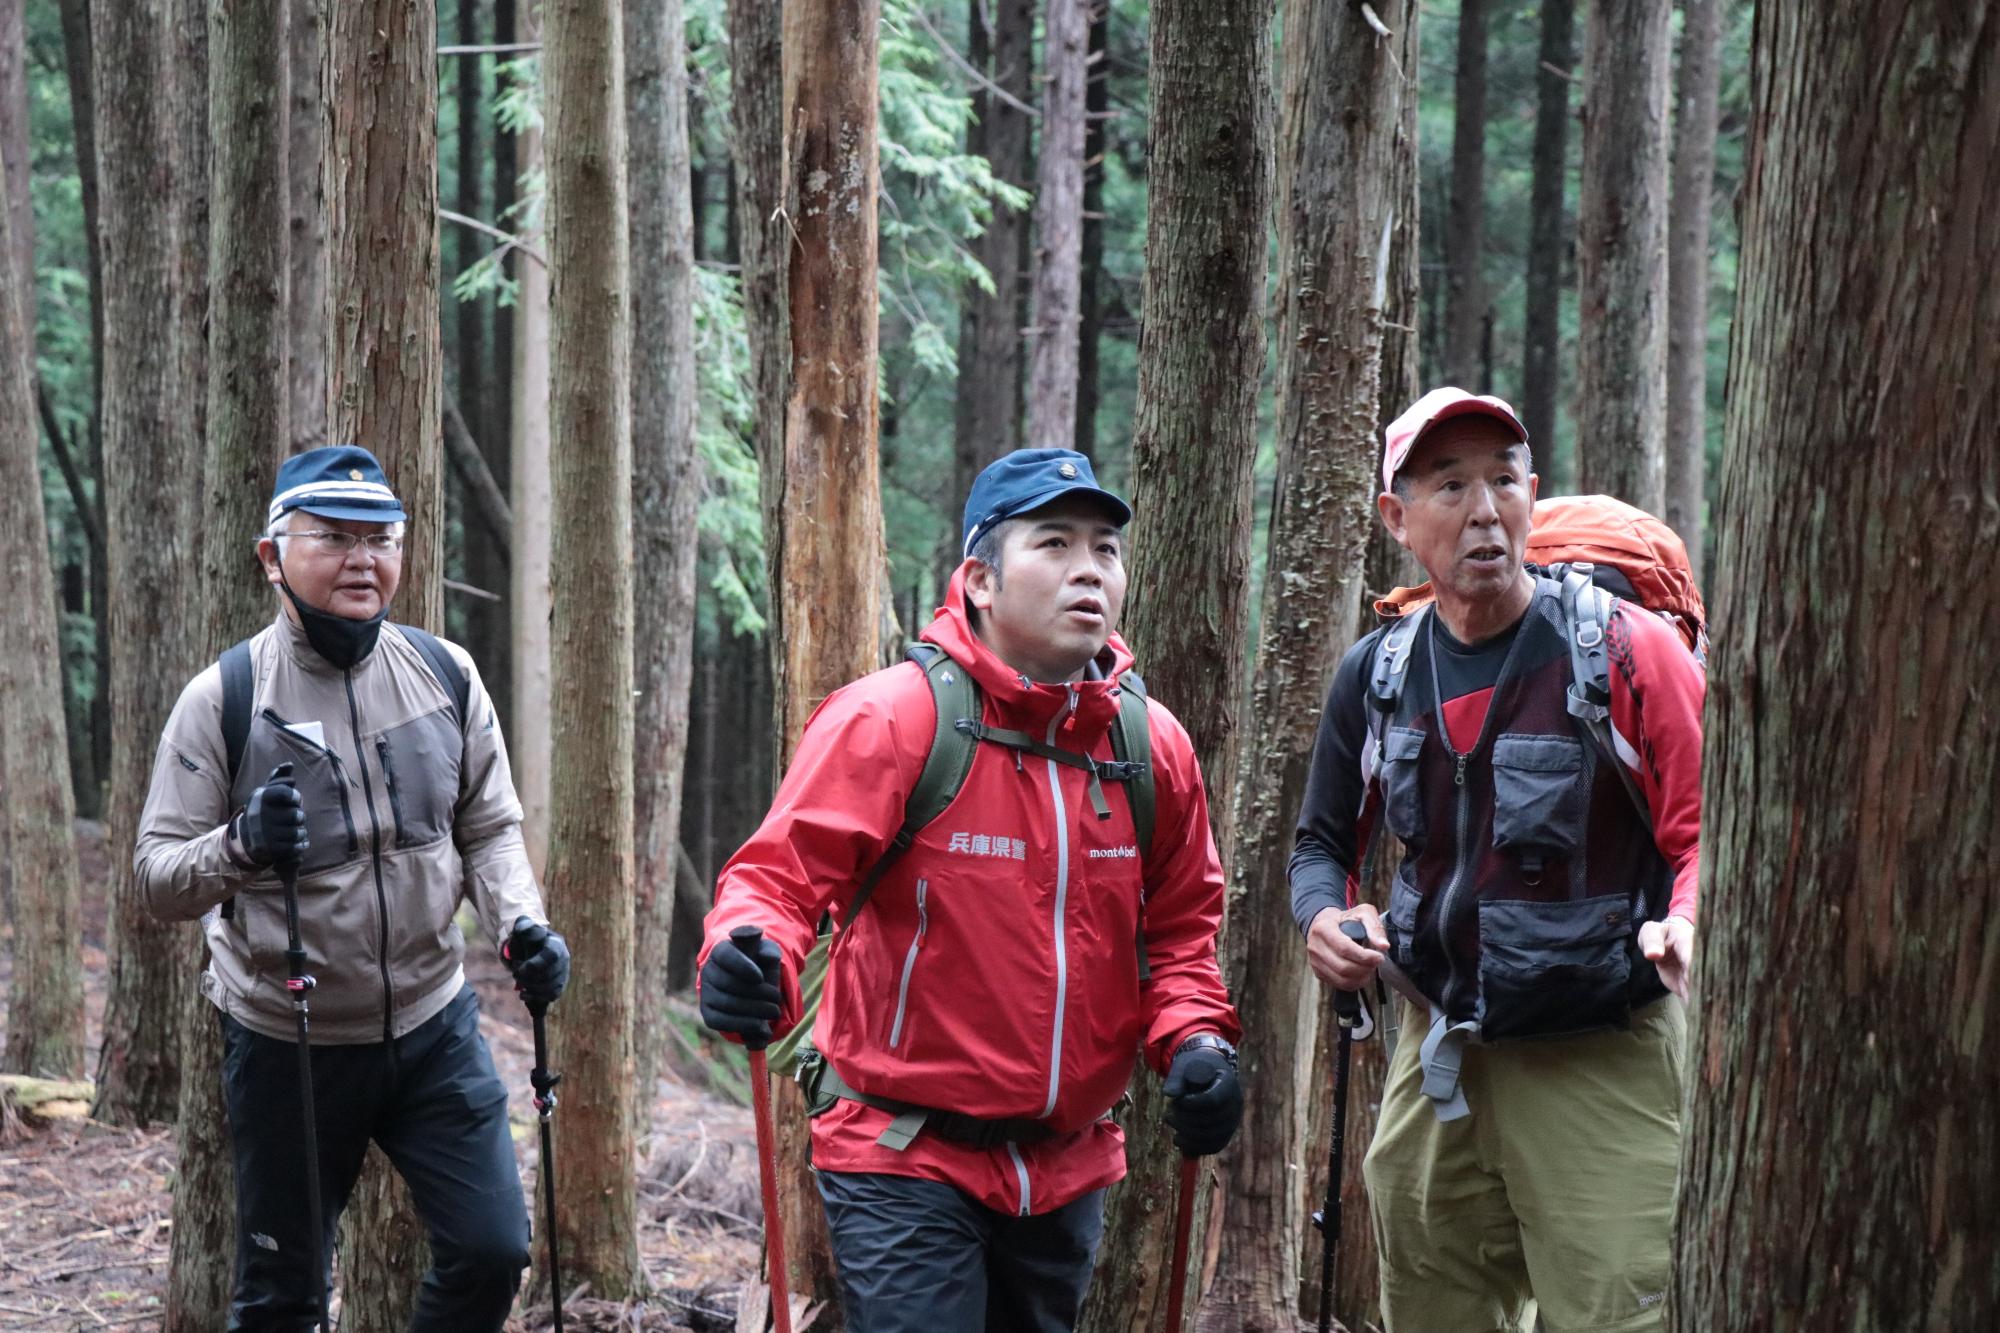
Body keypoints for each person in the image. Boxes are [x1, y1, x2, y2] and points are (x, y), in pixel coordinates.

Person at [697, 449, 1243, 1331]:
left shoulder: (1151, 746)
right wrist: (740, 953)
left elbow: (1181, 936)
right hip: (902, 1157)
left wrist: (1198, 1044)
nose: (1088, 570)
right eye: (1055, 543)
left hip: (1066, 1166)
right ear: (980, 579)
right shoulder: (894, 718)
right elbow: (778, 881)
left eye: (1105, 548)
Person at [1291, 389, 1703, 1332]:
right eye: (1451, 485)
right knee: (1433, 1309)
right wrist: (1324, 919)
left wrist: (1685, 919)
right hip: (1439, 1054)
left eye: (1504, 481)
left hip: (1603, 1055)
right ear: (1397, 518)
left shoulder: (1622, 650)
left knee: (1618, 1314)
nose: (1484, 509)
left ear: (1531, 494)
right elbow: (1319, 846)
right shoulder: (1378, 672)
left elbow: (1702, 828)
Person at [135, 446, 570, 1331]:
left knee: (495, 1250)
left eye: (381, 537)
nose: (362, 558)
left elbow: (488, 826)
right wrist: (242, 843)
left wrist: (524, 926)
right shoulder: (224, 698)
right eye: (332, 536)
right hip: (286, 1039)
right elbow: (156, 876)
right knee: (283, 1297)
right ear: (272, 555)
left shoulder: (445, 673)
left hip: (432, 1024)